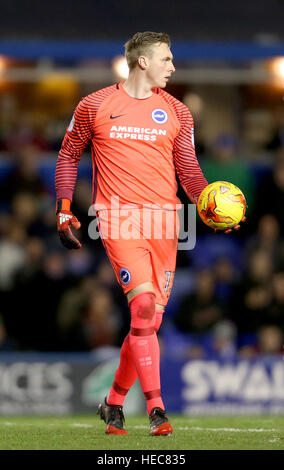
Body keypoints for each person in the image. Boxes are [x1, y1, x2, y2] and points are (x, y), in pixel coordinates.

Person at [55, 31, 243, 436]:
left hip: (166, 224)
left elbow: (190, 172)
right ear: (142, 61)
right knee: (141, 307)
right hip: (119, 219)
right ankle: (158, 409)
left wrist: (210, 207)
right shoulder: (95, 105)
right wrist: (64, 209)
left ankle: (114, 404)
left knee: (148, 326)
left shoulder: (178, 112)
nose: (173, 67)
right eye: (167, 59)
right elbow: (68, 154)